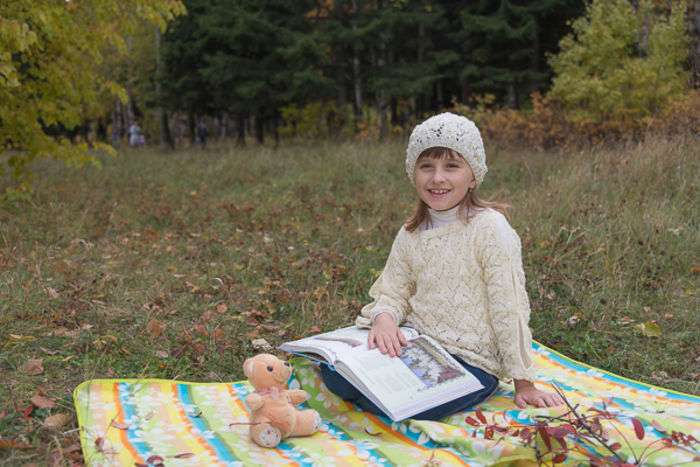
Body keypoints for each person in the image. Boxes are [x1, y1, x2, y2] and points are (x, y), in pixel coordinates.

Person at [320, 113, 564, 421]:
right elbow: (394, 290)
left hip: (470, 362)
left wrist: (523, 382)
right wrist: (384, 319)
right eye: (426, 167)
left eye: (451, 166)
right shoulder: (411, 231)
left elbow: (509, 307)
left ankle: (392, 397)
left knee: (410, 404)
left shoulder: (490, 229)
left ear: (473, 175)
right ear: (414, 174)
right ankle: (377, 388)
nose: (437, 178)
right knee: (332, 372)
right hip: (416, 346)